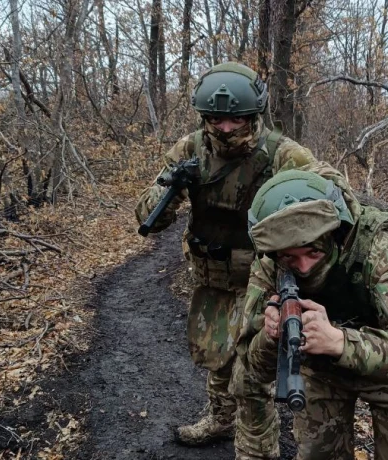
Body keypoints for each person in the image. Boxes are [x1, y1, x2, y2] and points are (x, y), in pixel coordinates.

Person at [135, 62, 352, 458]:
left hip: (259, 278)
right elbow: (147, 217)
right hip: (210, 275)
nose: (226, 128)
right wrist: (171, 186)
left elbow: (332, 187)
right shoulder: (189, 150)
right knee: (216, 352)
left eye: (236, 119)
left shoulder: (280, 153)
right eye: (216, 119)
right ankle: (220, 417)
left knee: (250, 371)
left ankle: (257, 449)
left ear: (254, 116)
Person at [239, 169, 388, 460]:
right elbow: (253, 368)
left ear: (336, 234)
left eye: (314, 253)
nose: (304, 267)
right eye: (290, 258)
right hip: (322, 369)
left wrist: (340, 341)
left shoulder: (378, 249)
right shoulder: (270, 262)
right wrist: (270, 337)